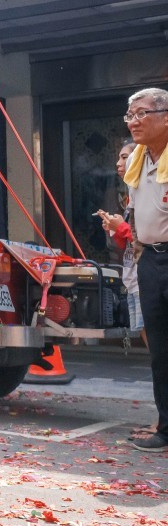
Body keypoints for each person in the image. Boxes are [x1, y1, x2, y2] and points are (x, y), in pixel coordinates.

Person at [98, 141, 156, 440]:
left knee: (159, 349)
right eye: (118, 158)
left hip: (148, 275)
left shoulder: (150, 187)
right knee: (155, 350)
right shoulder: (131, 193)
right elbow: (130, 242)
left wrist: (121, 228)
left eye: (125, 156)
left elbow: (147, 234)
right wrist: (116, 229)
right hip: (135, 277)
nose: (120, 163)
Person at [122, 88, 168, 452]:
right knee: (160, 350)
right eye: (130, 115)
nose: (133, 121)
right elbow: (138, 214)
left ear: (165, 116)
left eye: (141, 114)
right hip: (151, 260)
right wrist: (140, 251)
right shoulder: (139, 160)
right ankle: (166, 429)